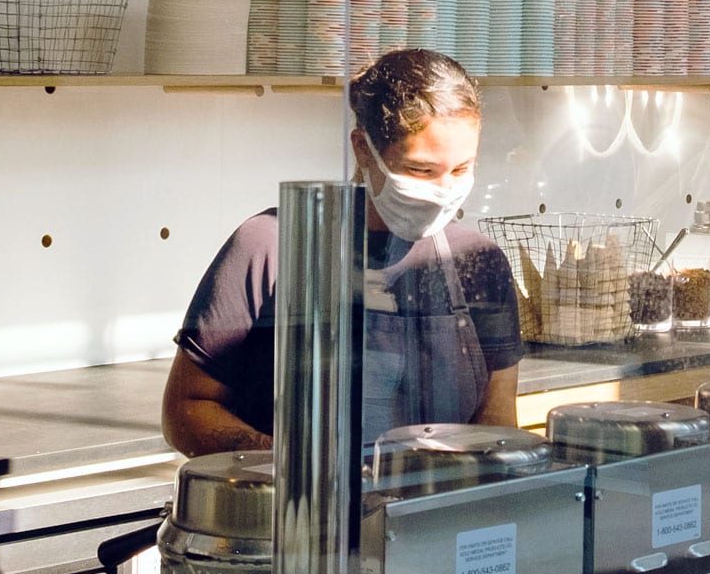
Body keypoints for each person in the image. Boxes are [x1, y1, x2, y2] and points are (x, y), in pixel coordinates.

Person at [163, 49, 524, 456]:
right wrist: (294, 467)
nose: (443, 190)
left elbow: (496, 422)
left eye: (460, 169)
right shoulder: (269, 246)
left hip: (428, 512)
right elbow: (186, 409)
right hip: (297, 510)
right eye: (421, 170)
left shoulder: (479, 263)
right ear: (362, 149)